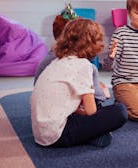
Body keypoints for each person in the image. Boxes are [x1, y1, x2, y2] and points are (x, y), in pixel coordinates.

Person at [31, 18, 128, 148]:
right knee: (120, 111)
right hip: (58, 135)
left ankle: (89, 134)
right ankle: (93, 137)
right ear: (92, 45)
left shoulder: (58, 61)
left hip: (40, 132)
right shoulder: (83, 65)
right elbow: (91, 111)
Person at [34, 14, 110, 104]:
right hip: (65, 109)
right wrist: (104, 92)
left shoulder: (53, 55)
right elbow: (99, 98)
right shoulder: (84, 65)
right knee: (119, 110)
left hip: (42, 104)